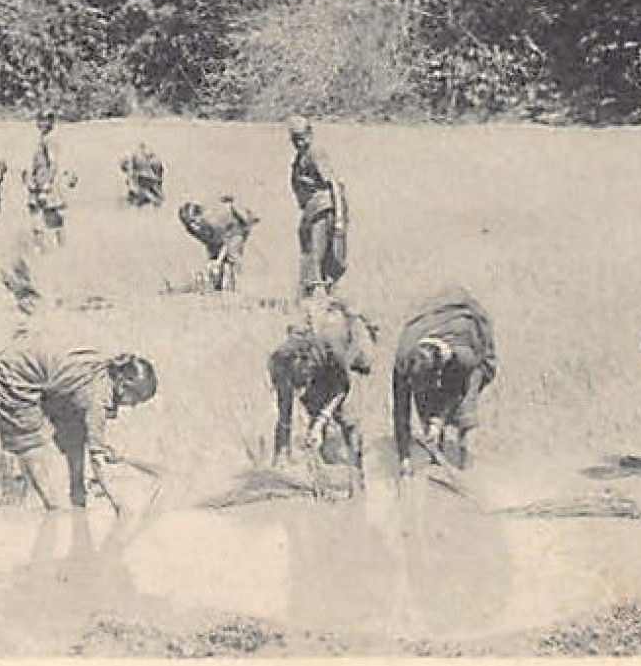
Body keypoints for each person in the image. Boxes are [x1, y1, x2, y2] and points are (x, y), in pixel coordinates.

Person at [0, 326, 158, 513]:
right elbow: (98, 459)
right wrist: (120, 505)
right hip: (14, 374)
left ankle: (75, 496)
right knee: (30, 441)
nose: (133, 406)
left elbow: (78, 435)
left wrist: (79, 493)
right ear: (123, 385)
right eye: (136, 399)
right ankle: (52, 509)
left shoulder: (105, 369)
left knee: (75, 431)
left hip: (26, 360)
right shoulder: (98, 397)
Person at [267, 297, 377, 487]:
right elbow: (285, 411)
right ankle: (317, 466)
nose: (300, 389)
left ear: (308, 361)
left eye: (303, 379)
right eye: (298, 383)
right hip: (318, 370)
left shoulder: (332, 351)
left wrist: (322, 419)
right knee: (312, 411)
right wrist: (282, 451)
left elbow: (343, 387)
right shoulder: (279, 362)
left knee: (348, 419)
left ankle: (357, 477)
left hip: (342, 364)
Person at [392, 286, 498, 475]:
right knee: (429, 423)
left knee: (465, 417)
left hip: (472, 357)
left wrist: (438, 420)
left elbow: (458, 391)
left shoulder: (463, 357)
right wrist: (404, 458)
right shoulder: (403, 360)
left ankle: (468, 470)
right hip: (433, 336)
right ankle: (436, 464)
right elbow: (401, 410)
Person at [286, 116, 347, 298]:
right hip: (311, 211)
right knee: (312, 253)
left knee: (318, 255)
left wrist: (339, 219)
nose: (299, 143)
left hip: (323, 209)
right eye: (295, 139)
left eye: (302, 137)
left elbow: (333, 184)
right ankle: (318, 297)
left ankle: (318, 298)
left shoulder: (315, 153)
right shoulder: (301, 157)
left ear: (310, 134)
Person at [177, 196, 259, 291]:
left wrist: (218, 262)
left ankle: (234, 288)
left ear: (201, 216)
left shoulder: (214, 221)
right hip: (220, 234)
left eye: (194, 221)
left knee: (230, 260)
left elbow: (227, 242)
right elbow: (209, 242)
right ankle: (217, 287)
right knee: (214, 262)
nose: (193, 225)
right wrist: (213, 261)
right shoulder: (191, 229)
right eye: (188, 223)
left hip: (236, 229)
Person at [25, 112, 75, 250]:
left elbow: (53, 165)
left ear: (51, 123)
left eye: (45, 121)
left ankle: (52, 248)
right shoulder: (43, 139)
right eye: (39, 120)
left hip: (46, 184)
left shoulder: (50, 141)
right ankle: (44, 248)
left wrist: (46, 186)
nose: (41, 123)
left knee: (49, 217)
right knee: (41, 216)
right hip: (38, 183)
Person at [120, 143, 165, 207]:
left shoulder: (138, 162)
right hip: (144, 179)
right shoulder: (135, 164)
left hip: (146, 178)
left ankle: (152, 197)